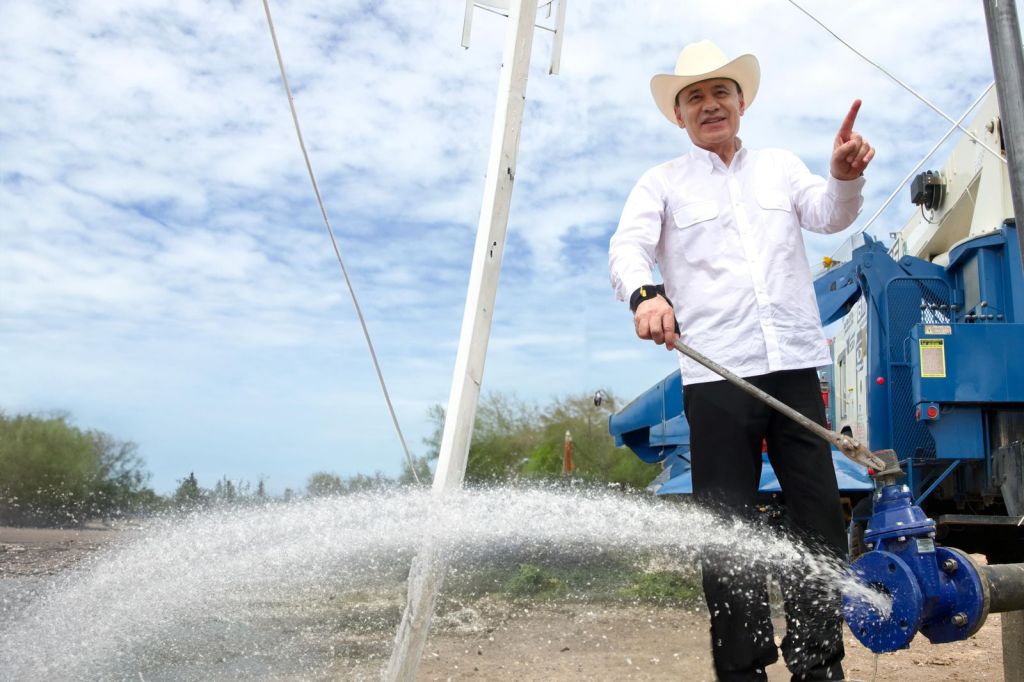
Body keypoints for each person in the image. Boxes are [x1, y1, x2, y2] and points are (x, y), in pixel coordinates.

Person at [608, 40, 874, 681]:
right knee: (727, 535)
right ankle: (742, 670)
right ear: (679, 115)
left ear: (741, 102)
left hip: (792, 371)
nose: (709, 105)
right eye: (693, 96)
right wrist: (645, 293)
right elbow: (627, 248)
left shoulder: (781, 167)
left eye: (719, 92)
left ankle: (818, 664)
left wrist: (843, 174)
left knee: (818, 521)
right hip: (716, 378)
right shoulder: (662, 183)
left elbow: (830, 214)